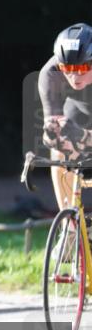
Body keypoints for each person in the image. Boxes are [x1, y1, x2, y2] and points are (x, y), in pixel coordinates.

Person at [37, 22, 92, 210]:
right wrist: (53, 136)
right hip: (78, 111)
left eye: (83, 68)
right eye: (67, 69)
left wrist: (83, 137)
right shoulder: (50, 74)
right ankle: (69, 226)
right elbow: (51, 129)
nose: (74, 76)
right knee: (60, 149)